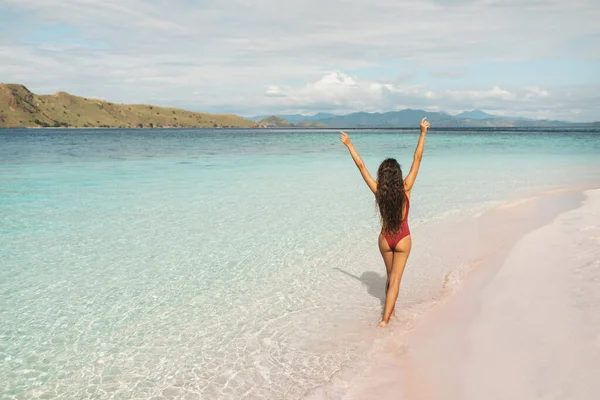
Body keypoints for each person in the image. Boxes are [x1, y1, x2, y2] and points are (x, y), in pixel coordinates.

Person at [340, 118, 430, 327]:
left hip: (385, 239)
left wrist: (349, 144)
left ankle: (390, 312)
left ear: (382, 175)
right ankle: (384, 321)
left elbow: (361, 166)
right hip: (403, 238)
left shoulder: (378, 190)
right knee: (396, 280)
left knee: (389, 279)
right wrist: (422, 133)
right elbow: (418, 158)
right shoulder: (406, 187)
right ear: (398, 176)